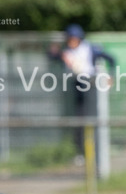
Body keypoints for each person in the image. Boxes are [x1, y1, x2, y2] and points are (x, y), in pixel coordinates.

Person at [48, 23, 115, 163]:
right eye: (69, 38)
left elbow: (111, 59)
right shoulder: (66, 52)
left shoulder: (90, 49)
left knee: (92, 118)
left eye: (74, 38)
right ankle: (81, 153)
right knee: (79, 121)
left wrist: (111, 76)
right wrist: (54, 51)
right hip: (75, 87)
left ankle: (97, 152)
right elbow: (52, 56)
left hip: (90, 86)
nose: (71, 41)